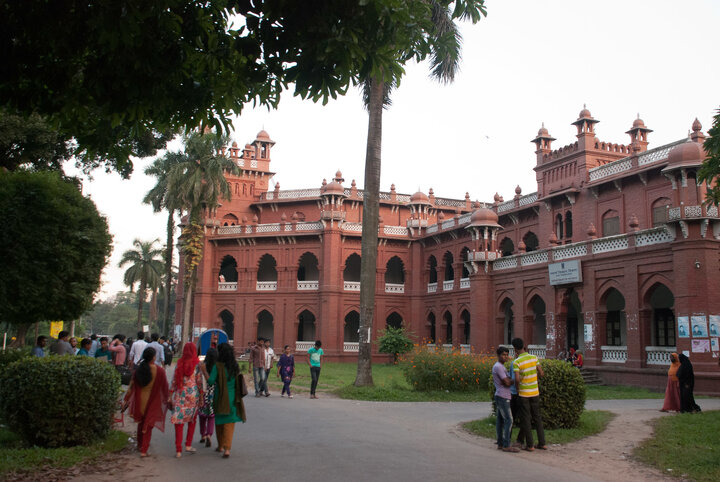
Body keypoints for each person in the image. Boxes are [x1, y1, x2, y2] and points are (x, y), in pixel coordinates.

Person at [123, 347, 169, 457]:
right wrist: (168, 400)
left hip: (140, 400)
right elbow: (165, 388)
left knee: (141, 423)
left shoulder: (139, 369)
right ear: (153, 357)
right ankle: (144, 450)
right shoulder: (160, 371)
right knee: (148, 426)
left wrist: (126, 399)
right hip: (152, 401)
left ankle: (140, 445)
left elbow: (131, 386)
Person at [208, 343, 245, 458]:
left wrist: (204, 371)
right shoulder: (234, 365)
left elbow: (210, 381)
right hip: (233, 398)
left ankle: (220, 446)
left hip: (220, 398)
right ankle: (227, 449)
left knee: (219, 422)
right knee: (229, 424)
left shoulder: (217, 366)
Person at [512, 337, 546, 451]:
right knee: (537, 417)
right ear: (524, 346)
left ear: (515, 349)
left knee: (526, 418)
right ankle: (542, 443)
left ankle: (530, 445)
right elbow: (541, 373)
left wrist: (518, 389)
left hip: (524, 393)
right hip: (535, 392)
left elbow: (516, 379)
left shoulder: (517, 362)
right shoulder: (534, 357)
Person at [169, 343, 203, 458]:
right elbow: (199, 382)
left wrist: (170, 395)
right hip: (193, 396)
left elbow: (174, 381)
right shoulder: (197, 365)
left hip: (181, 395)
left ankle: (178, 450)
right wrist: (202, 396)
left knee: (179, 422)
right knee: (192, 420)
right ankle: (188, 445)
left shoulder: (179, 363)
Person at [493, 346, 519, 452]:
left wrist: (509, 380)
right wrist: (514, 379)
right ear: (498, 356)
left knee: (500, 420)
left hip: (502, 395)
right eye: (503, 355)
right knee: (509, 419)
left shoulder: (501, 366)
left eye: (507, 354)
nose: (506, 357)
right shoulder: (498, 367)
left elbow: (507, 380)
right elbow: (507, 382)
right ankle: (506, 444)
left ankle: (500, 443)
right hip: (503, 396)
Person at [198, 347, 218, 447]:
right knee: (211, 416)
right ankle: (209, 434)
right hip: (213, 394)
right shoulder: (217, 367)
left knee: (202, 416)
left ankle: (203, 435)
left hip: (203, 393)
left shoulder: (202, 366)